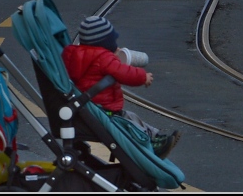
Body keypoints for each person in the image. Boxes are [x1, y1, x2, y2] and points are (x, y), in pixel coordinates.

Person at [61, 15, 180, 159]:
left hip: (90, 107)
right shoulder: (103, 57)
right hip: (104, 109)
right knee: (129, 124)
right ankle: (152, 144)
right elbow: (123, 73)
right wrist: (143, 77)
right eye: (113, 41)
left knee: (131, 117)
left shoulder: (75, 54)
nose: (116, 45)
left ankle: (156, 137)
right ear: (105, 42)